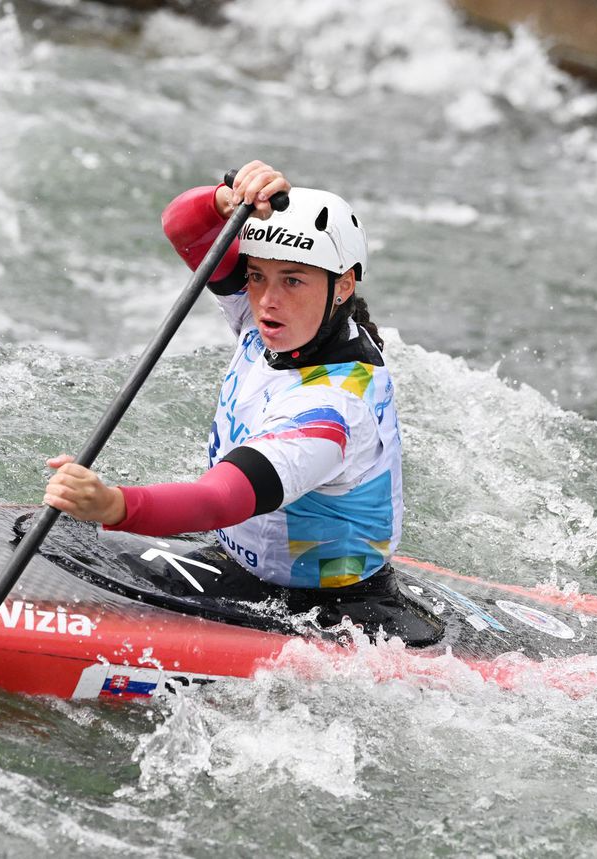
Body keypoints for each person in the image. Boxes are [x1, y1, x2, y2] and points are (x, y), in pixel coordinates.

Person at [42, 160, 441, 644]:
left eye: (292, 280)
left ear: (345, 284)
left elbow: (219, 500)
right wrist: (222, 201)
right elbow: (182, 225)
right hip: (244, 565)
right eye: (256, 277)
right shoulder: (278, 324)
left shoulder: (333, 408)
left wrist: (113, 505)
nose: (267, 300)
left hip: (327, 610)